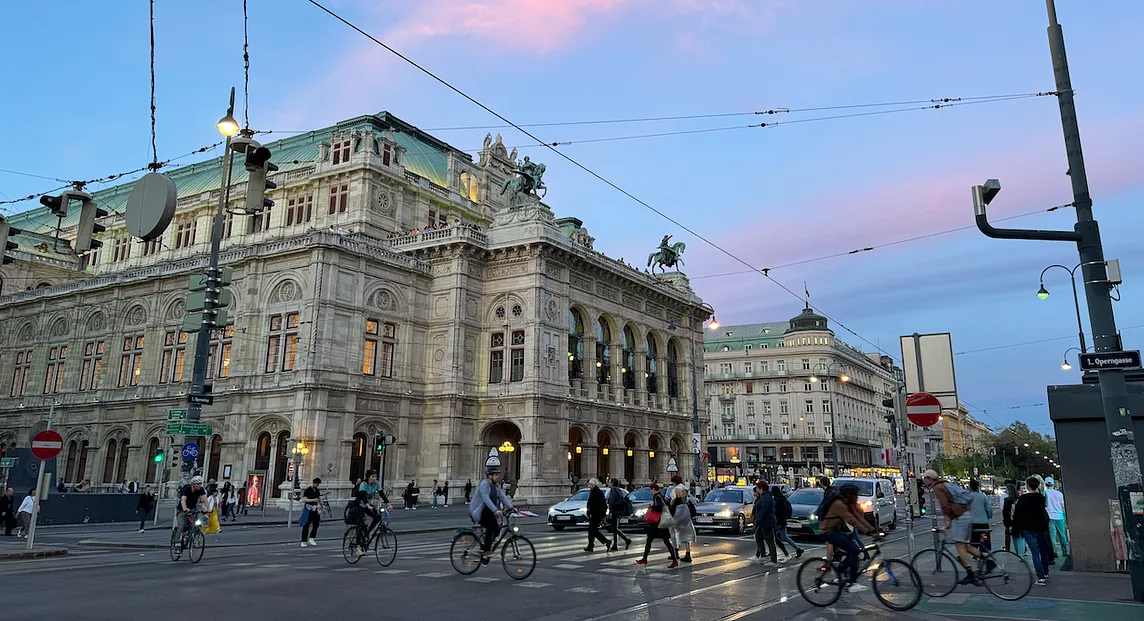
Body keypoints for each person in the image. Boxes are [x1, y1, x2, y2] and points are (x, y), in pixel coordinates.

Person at [922, 469, 985, 585]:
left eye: (925, 478)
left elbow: (945, 506)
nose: (923, 481)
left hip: (960, 517)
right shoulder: (945, 484)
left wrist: (946, 523)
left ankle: (970, 574)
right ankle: (988, 561)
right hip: (964, 515)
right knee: (965, 546)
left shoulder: (938, 488)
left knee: (960, 545)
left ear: (930, 479)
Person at [818, 482, 876, 593]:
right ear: (849, 495)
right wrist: (868, 532)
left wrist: (873, 530)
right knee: (853, 550)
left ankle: (840, 570)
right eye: (855, 495)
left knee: (854, 549)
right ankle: (852, 583)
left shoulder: (848, 503)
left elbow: (858, 517)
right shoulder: (839, 504)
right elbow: (852, 520)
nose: (857, 497)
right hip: (828, 531)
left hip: (836, 530)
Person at [469, 451, 515, 564]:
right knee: (493, 527)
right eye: (496, 475)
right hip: (478, 512)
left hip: (488, 511)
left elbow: (503, 498)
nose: (498, 477)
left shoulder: (496, 486)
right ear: (490, 476)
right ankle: (486, 551)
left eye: (498, 475)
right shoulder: (484, 485)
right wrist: (496, 510)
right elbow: (486, 500)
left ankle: (486, 550)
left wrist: (512, 507)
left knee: (496, 528)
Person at [1012, 476, 1052, 585]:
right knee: (1043, 551)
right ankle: (1046, 573)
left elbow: (1018, 514)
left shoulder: (1023, 499)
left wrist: (1016, 527)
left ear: (1028, 486)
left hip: (1028, 529)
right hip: (1041, 528)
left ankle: (1040, 577)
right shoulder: (1041, 498)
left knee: (1035, 553)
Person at [635, 483, 678, 568]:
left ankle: (645, 559)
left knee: (650, 540)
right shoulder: (661, 496)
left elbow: (659, 507)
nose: (651, 492)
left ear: (654, 489)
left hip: (657, 523)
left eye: (651, 490)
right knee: (665, 541)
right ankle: (674, 560)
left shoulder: (657, 497)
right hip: (661, 523)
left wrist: (652, 506)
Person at [750, 480, 785, 563]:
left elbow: (763, 511)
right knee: (759, 537)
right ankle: (763, 555)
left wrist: (757, 521)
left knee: (770, 541)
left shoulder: (766, 498)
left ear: (761, 488)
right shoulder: (765, 497)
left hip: (766, 522)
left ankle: (773, 560)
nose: (757, 490)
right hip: (764, 522)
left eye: (758, 488)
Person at [358, 470, 393, 543]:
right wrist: (367, 505)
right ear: (368, 477)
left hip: (368, 505)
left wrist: (388, 504)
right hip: (360, 505)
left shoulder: (376, 483)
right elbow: (362, 496)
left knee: (377, 517)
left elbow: (382, 494)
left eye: (375, 477)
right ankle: (358, 546)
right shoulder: (363, 484)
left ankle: (368, 533)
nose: (374, 478)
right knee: (360, 525)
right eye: (372, 477)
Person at [772, 484, 804, 559]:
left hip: (779, 521)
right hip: (783, 520)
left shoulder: (777, 500)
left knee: (772, 536)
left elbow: (776, 512)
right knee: (784, 537)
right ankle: (798, 548)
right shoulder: (782, 498)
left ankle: (782, 553)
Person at [175, 476, 206, 545]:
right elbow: (183, 500)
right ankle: (177, 542)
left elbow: (205, 499)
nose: (199, 485)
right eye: (197, 484)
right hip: (182, 510)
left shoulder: (201, 490)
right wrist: (185, 509)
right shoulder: (187, 489)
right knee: (181, 526)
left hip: (192, 509)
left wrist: (208, 509)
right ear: (193, 484)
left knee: (196, 524)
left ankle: (190, 537)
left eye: (200, 484)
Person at [583, 478, 611, 552]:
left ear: (592, 485)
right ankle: (590, 546)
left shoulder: (596, 492)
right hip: (595, 514)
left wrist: (591, 513)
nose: (588, 486)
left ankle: (606, 541)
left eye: (589, 484)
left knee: (593, 530)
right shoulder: (595, 491)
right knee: (591, 530)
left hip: (596, 515)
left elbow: (595, 505)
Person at [669, 486, 695, 563]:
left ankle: (675, 552)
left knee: (674, 534)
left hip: (678, 519)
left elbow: (671, 507)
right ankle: (688, 554)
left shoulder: (676, 501)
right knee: (687, 537)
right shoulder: (686, 501)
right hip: (686, 520)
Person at [1044, 478, 1068, 558]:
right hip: (1059, 516)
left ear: (1045, 484)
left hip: (1050, 517)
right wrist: (1064, 515)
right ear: (1053, 484)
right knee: (1062, 535)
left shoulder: (1044, 493)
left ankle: (1054, 552)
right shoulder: (1059, 494)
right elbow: (1062, 506)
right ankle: (1064, 551)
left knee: (1052, 536)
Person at [606, 478, 632, 551]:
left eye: (609, 482)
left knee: (614, 528)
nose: (608, 483)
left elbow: (611, 502)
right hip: (618, 511)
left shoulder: (613, 490)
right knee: (615, 528)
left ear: (612, 483)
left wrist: (610, 512)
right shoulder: (618, 490)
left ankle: (626, 539)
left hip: (615, 511)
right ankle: (615, 545)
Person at [968, 479, 994, 552]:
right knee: (985, 538)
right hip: (984, 523)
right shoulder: (983, 496)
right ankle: (985, 551)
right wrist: (989, 516)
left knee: (974, 540)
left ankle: (975, 553)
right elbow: (988, 508)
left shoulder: (968, 496)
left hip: (973, 523)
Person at [300, 478, 322, 548]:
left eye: (318, 484)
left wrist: (322, 506)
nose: (317, 485)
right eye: (316, 484)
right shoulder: (308, 490)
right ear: (313, 483)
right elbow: (304, 499)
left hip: (315, 508)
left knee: (316, 523)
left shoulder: (317, 490)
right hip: (308, 508)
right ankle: (303, 541)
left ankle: (312, 537)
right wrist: (313, 499)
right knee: (306, 524)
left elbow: (319, 499)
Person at [1002, 483, 1019, 554]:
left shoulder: (1007, 500)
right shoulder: (1018, 499)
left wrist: (1005, 522)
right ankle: (1022, 549)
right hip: (1017, 520)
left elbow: (1005, 512)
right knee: (1018, 536)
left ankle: (1007, 547)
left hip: (1009, 520)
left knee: (1007, 534)